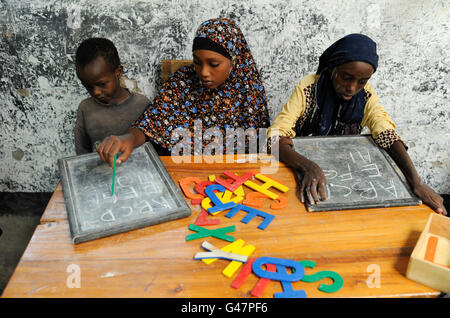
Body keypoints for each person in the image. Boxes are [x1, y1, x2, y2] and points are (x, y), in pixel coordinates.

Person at [267, 33, 446, 215]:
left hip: (345, 172)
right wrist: (308, 167)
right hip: (300, 166)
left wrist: (417, 182)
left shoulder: (366, 96)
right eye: (346, 77)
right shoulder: (308, 88)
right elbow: (275, 138)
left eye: (362, 81)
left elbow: (385, 132)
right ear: (332, 69)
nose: (352, 88)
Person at [97, 18, 270, 164]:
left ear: (234, 60)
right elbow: (152, 123)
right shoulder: (183, 82)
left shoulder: (249, 90)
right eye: (197, 62)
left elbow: (259, 147)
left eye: (214, 64)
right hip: (183, 172)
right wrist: (128, 138)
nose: (203, 72)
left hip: (232, 179)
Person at [74, 37, 150, 155]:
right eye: (88, 86)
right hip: (103, 172)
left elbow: (151, 149)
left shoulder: (141, 104)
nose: (96, 92)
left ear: (118, 72)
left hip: (138, 171)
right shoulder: (85, 109)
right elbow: (82, 152)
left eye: (102, 84)